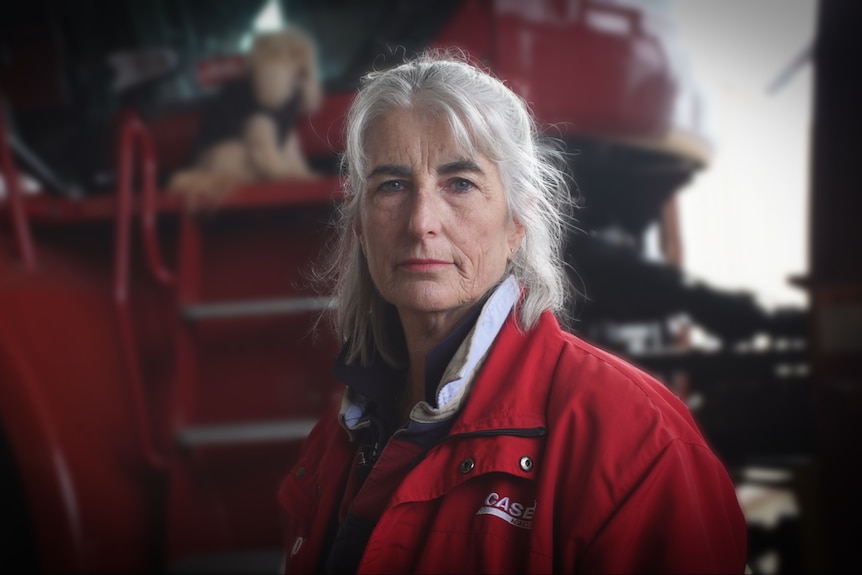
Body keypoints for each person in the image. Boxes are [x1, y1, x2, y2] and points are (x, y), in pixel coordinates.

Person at [278, 50, 747, 574]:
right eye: (392, 186)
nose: (421, 222)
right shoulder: (338, 438)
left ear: (517, 224)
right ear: (360, 225)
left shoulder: (636, 440)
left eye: (461, 183)